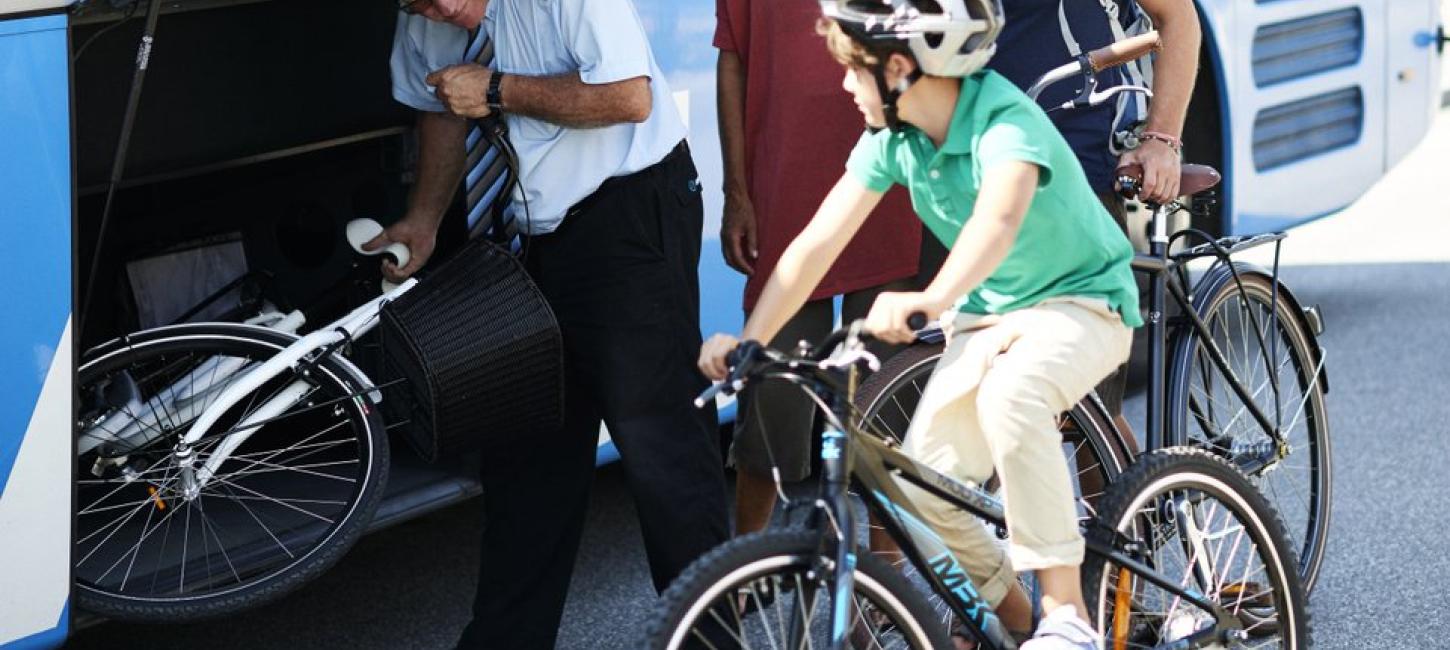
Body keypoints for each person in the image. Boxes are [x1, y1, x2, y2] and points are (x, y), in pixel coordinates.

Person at [698, 0, 1142, 647]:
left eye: (854, 72)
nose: (845, 86)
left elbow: (995, 223)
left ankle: (1068, 612)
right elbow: (813, 245)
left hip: (1080, 302)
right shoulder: (892, 141)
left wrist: (932, 299)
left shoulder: (1003, 121)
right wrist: (749, 339)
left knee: (1013, 395)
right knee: (923, 487)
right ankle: (1022, 625)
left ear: (900, 67)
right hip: (989, 318)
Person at [379, 0, 730, 647]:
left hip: (627, 215)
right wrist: (424, 219)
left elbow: (628, 97)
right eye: (415, 2)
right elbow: (439, 113)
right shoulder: (427, 16)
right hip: (524, 239)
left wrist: (495, 89)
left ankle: (711, 640)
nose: (436, 10)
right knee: (526, 460)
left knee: (664, 454)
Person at [713, 0, 926, 537]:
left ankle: (881, 600)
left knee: (884, 422)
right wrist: (735, 192)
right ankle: (742, 576)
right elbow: (732, 58)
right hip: (787, 194)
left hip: (891, 179)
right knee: (770, 400)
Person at [992, 0, 1201, 440]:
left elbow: (1177, 17)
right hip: (974, 159)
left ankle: (1128, 508)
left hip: (1074, 163)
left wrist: (1161, 140)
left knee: (1086, 410)